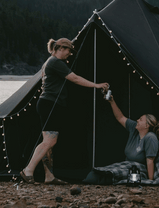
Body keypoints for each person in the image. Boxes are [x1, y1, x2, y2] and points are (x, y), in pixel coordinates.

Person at [20, 37, 109, 184]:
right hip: (50, 104)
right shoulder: (55, 62)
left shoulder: (49, 62)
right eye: (69, 51)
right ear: (60, 48)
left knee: (48, 142)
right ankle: (28, 170)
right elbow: (75, 78)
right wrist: (97, 85)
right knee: (50, 141)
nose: (70, 54)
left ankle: (49, 176)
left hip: (47, 104)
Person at [83, 93, 159, 184]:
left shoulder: (150, 137)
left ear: (147, 125)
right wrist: (111, 101)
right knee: (95, 173)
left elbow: (150, 161)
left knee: (99, 177)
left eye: (140, 119)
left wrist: (151, 181)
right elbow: (120, 117)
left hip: (138, 170)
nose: (137, 120)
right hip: (126, 165)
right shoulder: (134, 128)